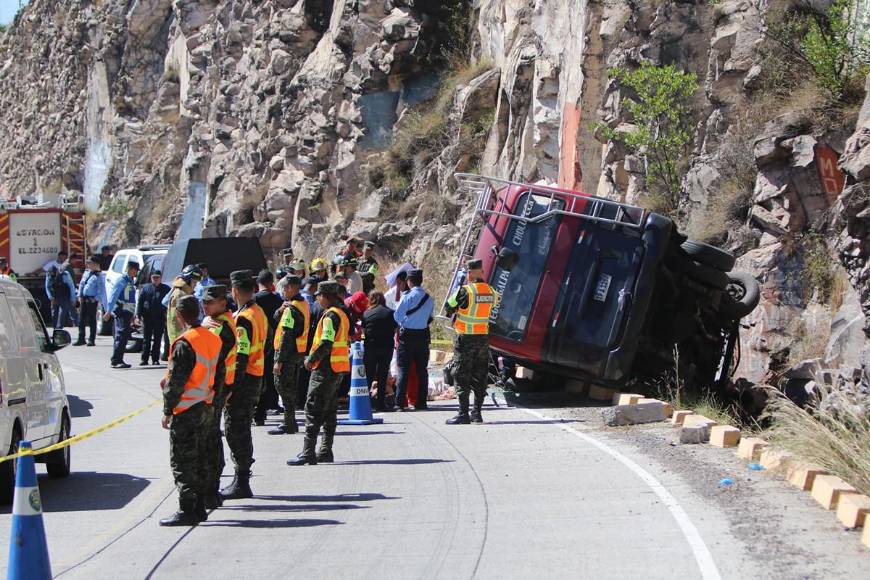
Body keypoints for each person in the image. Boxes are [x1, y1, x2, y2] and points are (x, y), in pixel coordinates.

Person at [158, 295, 222, 526]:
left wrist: (167, 410)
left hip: (186, 409)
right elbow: (220, 373)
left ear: (178, 315)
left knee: (183, 461)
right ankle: (200, 506)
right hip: (206, 405)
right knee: (202, 457)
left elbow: (176, 381)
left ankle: (187, 509)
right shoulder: (212, 338)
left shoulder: (185, 342)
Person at [288, 281, 350, 466]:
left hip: (325, 369)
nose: (317, 300)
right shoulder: (341, 313)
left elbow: (326, 342)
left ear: (325, 296)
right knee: (329, 411)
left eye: (319, 296)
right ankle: (325, 450)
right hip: (336, 368)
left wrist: (311, 359)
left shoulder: (330, 316)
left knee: (313, 409)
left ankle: (308, 452)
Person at [221, 270, 267, 500]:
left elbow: (241, 355)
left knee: (236, 430)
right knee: (242, 428)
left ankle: (241, 481)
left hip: (244, 380)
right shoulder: (258, 312)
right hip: (256, 376)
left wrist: (230, 387)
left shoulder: (243, 319)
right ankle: (241, 479)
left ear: (235, 291)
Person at [444, 259, 498, 424]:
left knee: (461, 374)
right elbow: (494, 305)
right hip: (482, 339)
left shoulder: (464, 291)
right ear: (482, 272)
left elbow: (448, 307)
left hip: (466, 338)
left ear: (470, 273)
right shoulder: (492, 292)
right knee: (480, 375)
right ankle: (477, 413)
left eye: (468, 272)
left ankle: (463, 414)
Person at [201, 285, 236, 509]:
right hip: (218, 387)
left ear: (223, 303)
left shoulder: (219, 327)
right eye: (204, 302)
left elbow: (206, 354)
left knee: (210, 439)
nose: (205, 306)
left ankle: (211, 490)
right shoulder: (217, 322)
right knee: (211, 437)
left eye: (210, 302)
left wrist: (202, 328)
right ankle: (211, 490)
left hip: (215, 388)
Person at [269, 275, 308, 435]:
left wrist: (279, 360)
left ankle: (289, 422)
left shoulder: (292, 309)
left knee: (283, 387)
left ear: (291, 288)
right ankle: (290, 422)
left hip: (287, 354)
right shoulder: (301, 304)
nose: (283, 291)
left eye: (284, 288)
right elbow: (276, 318)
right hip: (297, 353)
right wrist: (280, 309)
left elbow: (286, 335)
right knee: (289, 388)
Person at [393, 269, 433, 411]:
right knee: (422, 370)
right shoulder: (428, 298)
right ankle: (421, 402)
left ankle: (399, 403)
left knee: (403, 369)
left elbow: (397, 317)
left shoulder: (407, 296)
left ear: (409, 282)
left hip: (407, 336)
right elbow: (430, 317)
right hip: (423, 336)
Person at [254, 269, 285, 425]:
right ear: (271, 283)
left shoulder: (254, 300)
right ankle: (272, 402)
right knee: (271, 374)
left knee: (258, 376)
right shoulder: (277, 299)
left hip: (257, 342)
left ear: (258, 283)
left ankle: (259, 407)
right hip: (274, 341)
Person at [363, 291, 397, 411]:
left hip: (371, 347)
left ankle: (365, 402)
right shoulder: (390, 313)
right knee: (383, 374)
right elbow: (395, 329)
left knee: (369, 374)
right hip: (386, 347)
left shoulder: (366, 313)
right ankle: (380, 403)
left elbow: (364, 331)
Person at [105, 261, 139, 369]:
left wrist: (133, 313)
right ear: (130, 269)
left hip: (127, 312)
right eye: (135, 270)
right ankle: (116, 360)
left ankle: (119, 359)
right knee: (120, 335)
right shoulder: (122, 280)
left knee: (124, 336)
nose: (136, 273)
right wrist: (109, 311)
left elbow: (132, 299)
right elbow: (114, 295)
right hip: (121, 311)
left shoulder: (130, 281)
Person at [136, 270, 171, 365]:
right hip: (147, 317)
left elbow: (169, 302)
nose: (155, 279)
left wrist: (167, 315)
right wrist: (138, 315)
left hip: (160, 317)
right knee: (146, 339)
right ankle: (144, 359)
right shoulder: (146, 288)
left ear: (160, 278)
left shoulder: (166, 289)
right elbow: (140, 301)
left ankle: (155, 359)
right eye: (153, 277)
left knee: (157, 339)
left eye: (157, 277)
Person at [75, 255, 108, 346]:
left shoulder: (99, 276)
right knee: (81, 320)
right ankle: (81, 338)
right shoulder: (87, 273)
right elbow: (82, 284)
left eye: (90, 263)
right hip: (84, 299)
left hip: (92, 300)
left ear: (96, 264)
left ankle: (91, 339)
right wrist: (79, 296)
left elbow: (101, 290)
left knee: (92, 320)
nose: (88, 265)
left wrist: (96, 299)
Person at [165, 265, 202, 344]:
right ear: (187, 281)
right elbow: (179, 319)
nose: (195, 285)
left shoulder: (181, 292)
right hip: (181, 336)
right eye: (194, 282)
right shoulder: (180, 295)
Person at [45, 265, 77, 330]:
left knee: (62, 312)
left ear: (57, 271)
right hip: (54, 297)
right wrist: (50, 297)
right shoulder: (49, 275)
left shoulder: (65, 275)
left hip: (64, 296)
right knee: (54, 313)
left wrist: (73, 299)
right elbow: (47, 287)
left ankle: (59, 328)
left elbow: (71, 286)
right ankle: (55, 329)